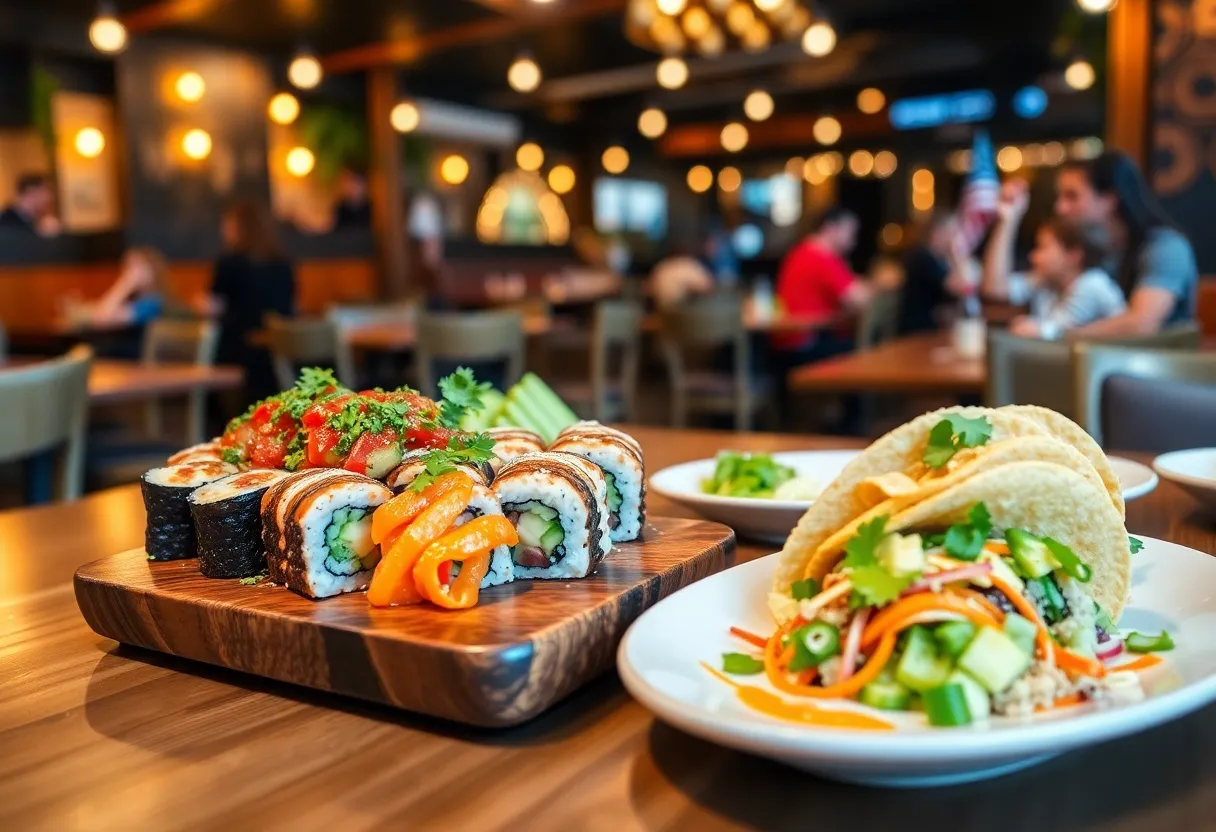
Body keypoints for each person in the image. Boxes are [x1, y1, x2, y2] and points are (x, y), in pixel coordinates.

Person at [984, 151, 1197, 336]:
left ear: (1109, 200)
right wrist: (1007, 219)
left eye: (1072, 197)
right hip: (1098, 367)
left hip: (1154, 375)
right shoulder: (1084, 252)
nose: (1060, 208)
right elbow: (996, 290)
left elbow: (1141, 324)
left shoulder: (1165, 247)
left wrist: (1052, 335)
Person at [198, 198, 296, 399]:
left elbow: (213, 307)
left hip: (239, 351)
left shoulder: (230, 262)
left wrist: (196, 303)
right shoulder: (283, 262)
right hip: (281, 352)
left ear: (236, 227)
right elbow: (293, 306)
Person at [983, 218, 1126, 340]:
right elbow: (995, 288)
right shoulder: (1046, 281)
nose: (1033, 257)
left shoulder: (1092, 283)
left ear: (1073, 256)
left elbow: (1055, 333)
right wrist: (1007, 219)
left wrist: (1033, 327)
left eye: (1042, 247)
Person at [773, 205, 873, 357]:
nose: (853, 240)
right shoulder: (821, 256)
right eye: (850, 232)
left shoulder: (803, 251)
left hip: (798, 340)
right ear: (830, 228)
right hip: (806, 342)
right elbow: (860, 299)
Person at [896, 212, 976, 334]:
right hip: (918, 333)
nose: (955, 238)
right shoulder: (924, 258)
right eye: (952, 233)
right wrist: (956, 253)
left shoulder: (938, 260)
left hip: (930, 330)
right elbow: (963, 288)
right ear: (938, 232)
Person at [88, 247, 179, 328]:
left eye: (138, 266)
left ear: (153, 271)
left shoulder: (152, 303)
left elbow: (101, 319)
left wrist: (126, 283)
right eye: (129, 267)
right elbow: (98, 317)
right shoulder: (137, 300)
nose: (132, 272)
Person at [650, 246, 715, 310]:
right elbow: (708, 287)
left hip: (660, 310)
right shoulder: (689, 265)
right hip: (679, 311)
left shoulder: (662, 266)